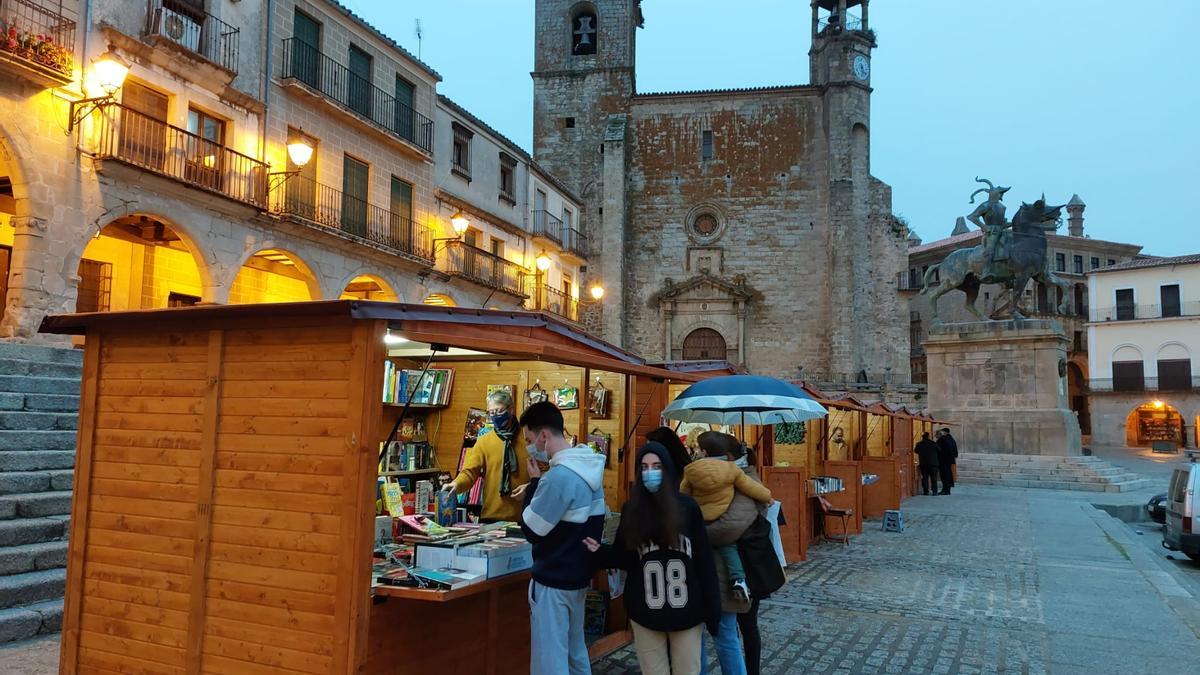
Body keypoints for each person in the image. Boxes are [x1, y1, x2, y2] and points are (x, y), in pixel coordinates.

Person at [583, 442, 720, 675]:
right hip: (645, 613)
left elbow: (704, 562)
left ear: (667, 470)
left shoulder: (687, 508)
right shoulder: (631, 510)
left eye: (656, 466)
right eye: (644, 467)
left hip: (687, 613)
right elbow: (624, 557)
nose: (650, 472)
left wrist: (713, 611)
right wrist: (599, 553)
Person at [518, 401, 607, 675]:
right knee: (575, 654)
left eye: (530, 440)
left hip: (552, 581)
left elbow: (532, 529)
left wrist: (533, 485)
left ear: (544, 435)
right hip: (577, 578)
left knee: (550, 660)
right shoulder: (591, 469)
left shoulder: (558, 477)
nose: (529, 447)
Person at [681, 432, 774, 604]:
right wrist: (767, 496)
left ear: (704, 452)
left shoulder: (690, 471)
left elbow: (683, 495)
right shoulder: (732, 470)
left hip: (702, 517)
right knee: (728, 546)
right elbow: (752, 488)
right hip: (721, 516)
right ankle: (738, 578)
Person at [441, 389, 529, 521]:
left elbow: (544, 472)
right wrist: (456, 484)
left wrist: (530, 488)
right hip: (491, 516)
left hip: (525, 517)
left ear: (511, 409)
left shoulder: (528, 438)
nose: (495, 416)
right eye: (491, 412)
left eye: (499, 411)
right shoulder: (484, 441)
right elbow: (469, 472)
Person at [914, 432, 941, 496]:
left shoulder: (919, 444)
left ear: (922, 437)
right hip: (933, 464)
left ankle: (926, 491)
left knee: (925, 478)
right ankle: (935, 492)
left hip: (924, 464)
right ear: (928, 436)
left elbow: (916, 451)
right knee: (934, 478)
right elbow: (939, 450)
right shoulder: (933, 443)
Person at [936, 428, 959, 495]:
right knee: (948, 474)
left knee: (944, 475)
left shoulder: (943, 439)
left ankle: (945, 490)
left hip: (943, 460)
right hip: (949, 460)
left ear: (944, 432)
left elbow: (937, 449)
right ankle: (947, 490)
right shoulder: (951, 439)